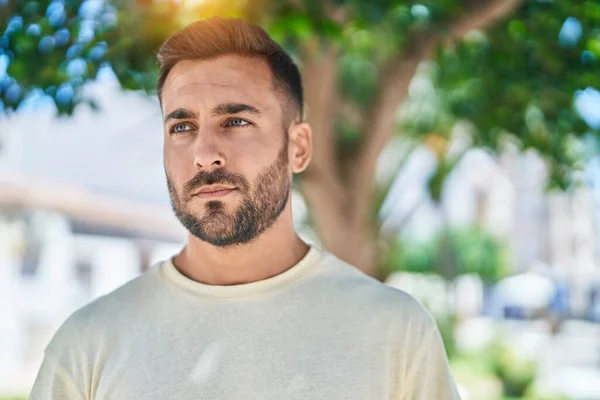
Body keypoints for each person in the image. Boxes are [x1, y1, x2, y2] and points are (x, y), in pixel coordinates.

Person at [29, 17, 461, 400]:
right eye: (182, 126)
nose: (204, 153)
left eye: (235, 121)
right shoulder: (88, 345)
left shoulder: (395, 332)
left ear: (298, 147)